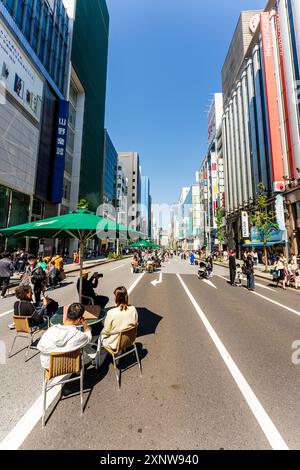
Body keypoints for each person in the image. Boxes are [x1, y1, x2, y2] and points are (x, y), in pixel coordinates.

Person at [37, 303, 93, 370]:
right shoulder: (77, 334)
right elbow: (88, 337)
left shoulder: (51, 330)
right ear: (79, 319)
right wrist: (84, 324)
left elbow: (40, 345)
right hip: (66, 365)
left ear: (67, 315)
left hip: (47, 364)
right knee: (83, 349)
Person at [97, 286, 138, 367]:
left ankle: (98, 363)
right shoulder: (133, 309)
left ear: (116, 297)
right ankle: (120, 351)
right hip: (130, 339)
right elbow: (135, 322)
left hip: (115, 342)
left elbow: (107, 330)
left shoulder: (111, 312)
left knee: (101, 337)